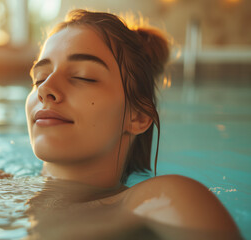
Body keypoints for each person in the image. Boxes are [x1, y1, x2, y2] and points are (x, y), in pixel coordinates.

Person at [24, 9, 241, 239]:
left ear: (137, 117)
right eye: (39, 78)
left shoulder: (161, 201)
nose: (45, 89)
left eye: (83, 76)